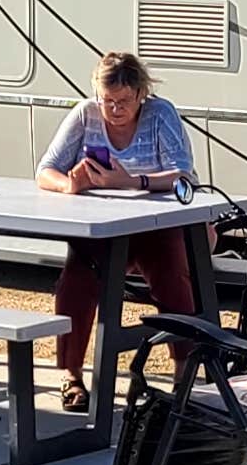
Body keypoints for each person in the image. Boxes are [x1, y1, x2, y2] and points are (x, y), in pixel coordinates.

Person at [33, 51, 198, 410]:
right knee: (77, 277)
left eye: (123, 101)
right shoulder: (85, 114)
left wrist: (132, 181)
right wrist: (69, 185)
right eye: (107, 100)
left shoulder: (161, 114)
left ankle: (182, 372)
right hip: (104, 228)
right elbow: (45, 170)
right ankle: (71, 374)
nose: (114, 109)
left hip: (158, 225)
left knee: (171, 272)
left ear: (141, 94)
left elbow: (183, 175)